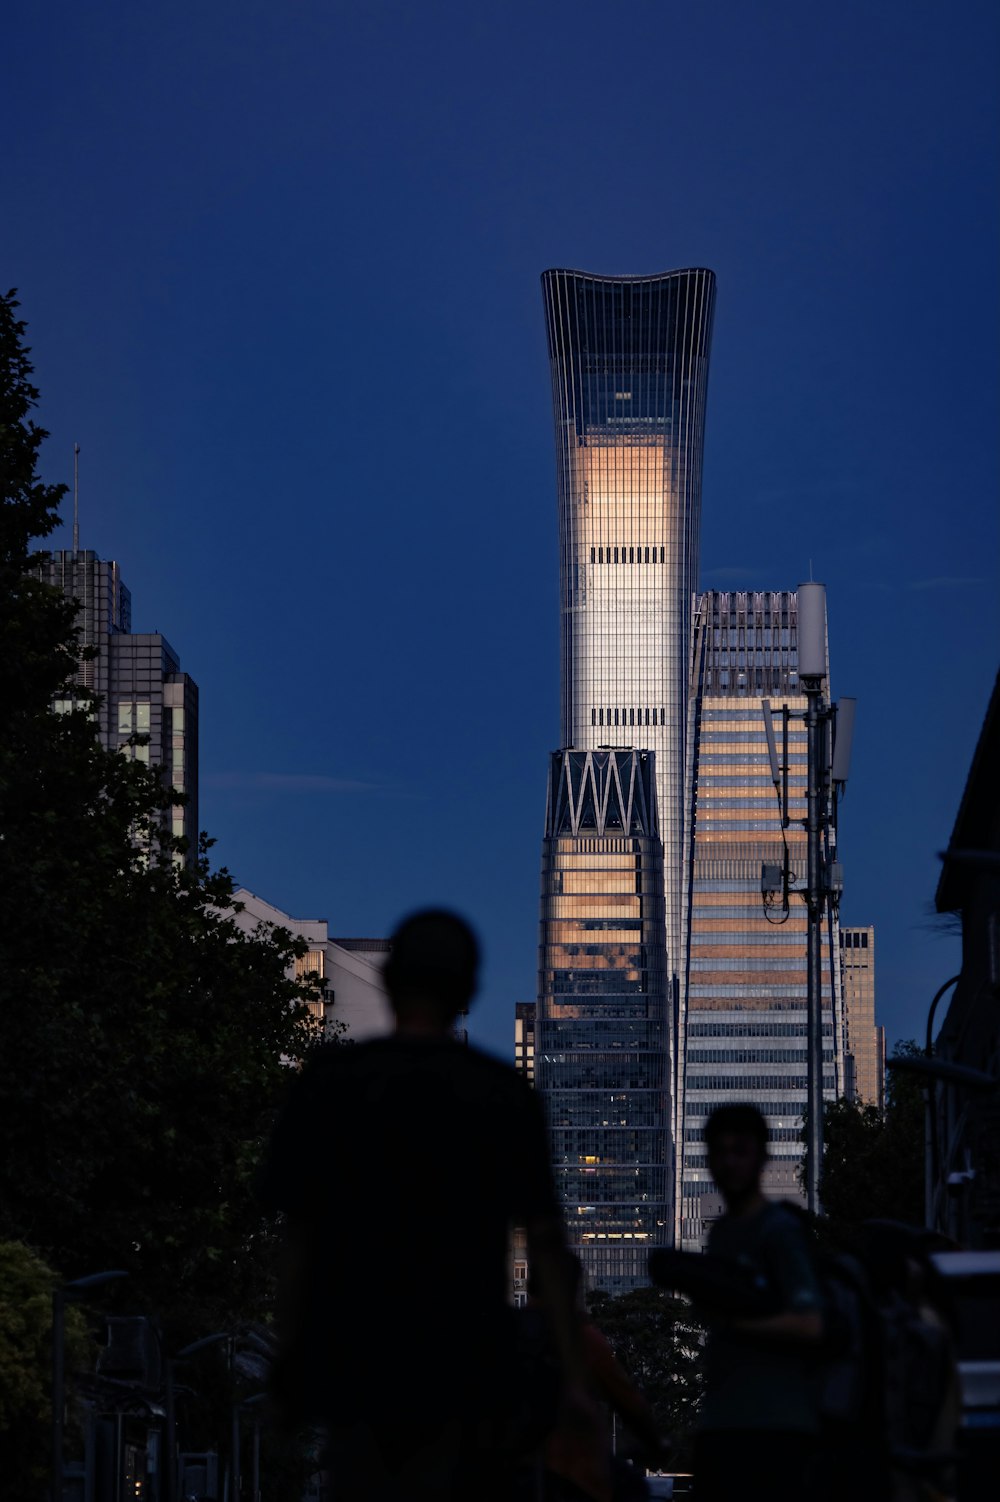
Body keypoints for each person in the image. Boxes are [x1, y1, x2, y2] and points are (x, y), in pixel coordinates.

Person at [257, 908, 594, 1502]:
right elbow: (545, 1243)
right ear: (468, 989)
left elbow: (299, 1237)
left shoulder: (334, 1082)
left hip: (360, 1357)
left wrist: (291, 1358)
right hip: (465, 1358)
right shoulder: (499, 1093)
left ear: (389, 981)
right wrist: (570, 1379)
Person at [691, 1103, 825, 1502]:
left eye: (741, 1151)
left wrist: (736, 1325)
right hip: (723, 1423)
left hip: (777, 1427)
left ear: (762, 1157)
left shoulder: (779, 1231)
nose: (729, 1163)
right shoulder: (722, 1235)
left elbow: (811, 1323)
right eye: (720, 1152)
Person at [528, 1255, 669, 1502]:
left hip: (512, 1465)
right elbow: (627, 1400)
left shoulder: (508, 1334)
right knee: (635, 1488)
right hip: (569, 1467)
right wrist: (655, 1442)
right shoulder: (579, 1337)